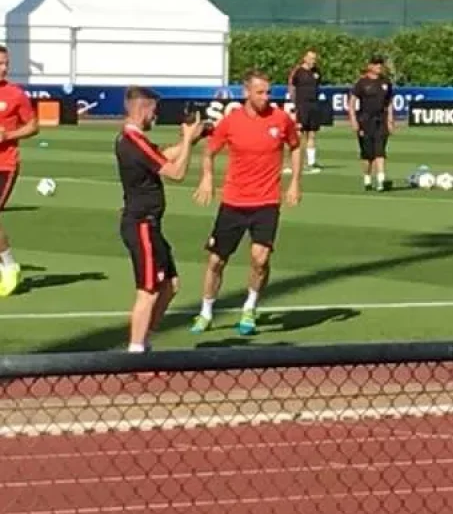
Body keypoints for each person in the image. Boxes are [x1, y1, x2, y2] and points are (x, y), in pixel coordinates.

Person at [191, 70, 302, 336]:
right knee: (216, 261)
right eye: (260, 92)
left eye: (268, 92)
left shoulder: (281, 119)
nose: (265, 97)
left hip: (267, 201)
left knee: (260, 259)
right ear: (246, 93)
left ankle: (250, 308)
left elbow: (295, 146)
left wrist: (295, 182)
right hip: (233, 202)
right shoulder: (231, 121)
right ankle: (206, 311)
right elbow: (209, 151)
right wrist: (207, 178)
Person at [115, 87, 203, 352]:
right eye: (153, 110)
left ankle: (144, 340)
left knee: (170, 285)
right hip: (141, 223)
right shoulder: (134, 141)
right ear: (142, 109)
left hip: (150, 224)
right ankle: (136, 350)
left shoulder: (133, 140)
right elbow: (176, 173)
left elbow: (162, 157)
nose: (155, 116)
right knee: (149, 289)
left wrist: (189, 140)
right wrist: (187, 142)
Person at [0, 45, 39, 297]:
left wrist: (8, 135)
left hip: (4, 164)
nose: (4, 68)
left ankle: (9, 265)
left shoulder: (15, 94)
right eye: (0, 63)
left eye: (6, 63)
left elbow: (33, 126)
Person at [348, 56, 394, 192]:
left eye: (380, 64)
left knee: (380, 151)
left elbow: (389, 102)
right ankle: (367, 178)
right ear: (370, 66)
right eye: (376, 64)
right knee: (367, 155)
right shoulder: (362, 83)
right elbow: (352, 103)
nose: (379, 66)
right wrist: (353, 120)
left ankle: (381, 180)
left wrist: (390, 120)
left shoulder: (386, 82)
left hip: (381, 120)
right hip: (365, 121)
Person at [287, 50, 323, 173]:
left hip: (314, 105)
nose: (313, 61)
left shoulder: (317, 72)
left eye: (315, 59)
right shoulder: (298, 71)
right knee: (299, 134)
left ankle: (311, 162)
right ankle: (294, 162)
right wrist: (295, 102)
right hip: (302, 106)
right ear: (305, 58)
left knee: (312, 134)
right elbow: (291, 86)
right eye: (311, 58)